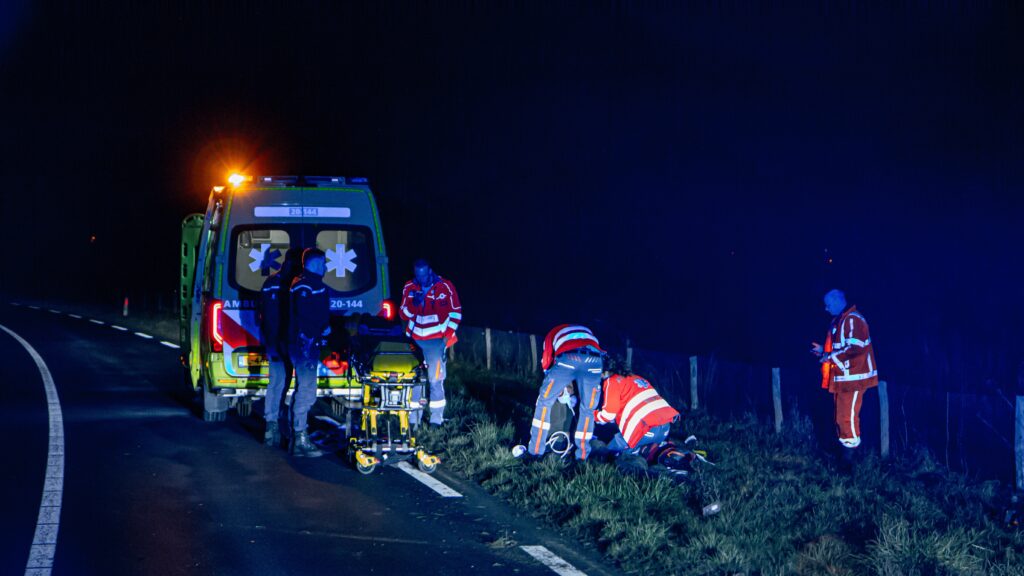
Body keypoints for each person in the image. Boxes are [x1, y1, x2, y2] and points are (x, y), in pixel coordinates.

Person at [811, 289, 879, 471]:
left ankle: (848, 464)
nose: (826, 308)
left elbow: (855, 348)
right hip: (844, 379)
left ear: (838, 301)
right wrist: (824, 353)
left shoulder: (853, 320)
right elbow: (842, 348)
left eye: (828, 304)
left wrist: (829, 356)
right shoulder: (840, 321)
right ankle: (845, 459)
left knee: (847, 418)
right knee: (842, 417)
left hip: (853, 379)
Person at [523, 324, 604, 461]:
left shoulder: (552, 334)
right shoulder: (588, 331)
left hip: (569, 357)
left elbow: (546, 364)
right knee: (588, 410)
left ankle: (534, 452)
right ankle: (582, 457)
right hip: (595, 360)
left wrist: (556, 388)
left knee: (544, 401)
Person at [398, 259, 461, 427]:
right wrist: (414, 304)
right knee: (415, 378)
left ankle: (436, 419)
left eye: (424, 275)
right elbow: (403, 314)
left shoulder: (445, 286)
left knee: (435, 379)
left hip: (436, 341)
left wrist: (446, 338)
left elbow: (456, 313)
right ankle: (413, 420)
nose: (421, 279)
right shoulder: (409, 287)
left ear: (430, 271)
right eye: (418, 276)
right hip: (415, 340)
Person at [287, 248, 332, 457]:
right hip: (304, 344)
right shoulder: (306, 285)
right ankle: (300, 439)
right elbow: (304, 316)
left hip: (306, 343)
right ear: (314, 264)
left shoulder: (306, 282)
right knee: (307, 391)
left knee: (303, 389)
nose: (326, 267)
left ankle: (296, 434)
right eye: (323, 263)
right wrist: (318, 331)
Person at [259, 249, 301, 448]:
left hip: (284, 342)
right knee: (278, 381)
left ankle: (275, 422)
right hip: (280, 341)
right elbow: (267, 315)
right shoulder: (280, 284)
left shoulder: (275, 283)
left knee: (282, 382)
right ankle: (273, 424)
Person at [594, 368, 680, 457]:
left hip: (644, 429)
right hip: (665, 428)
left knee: (606, 455)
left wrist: (592, 415)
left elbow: (608, 415)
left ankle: (630, 453)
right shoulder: (638, 378)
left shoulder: (611, 381)